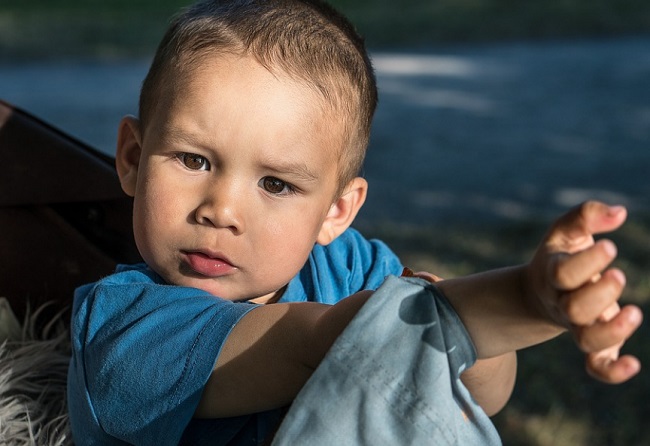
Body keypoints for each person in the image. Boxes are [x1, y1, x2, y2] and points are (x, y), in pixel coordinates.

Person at [66, 0, 643, 444]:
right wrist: (505, 299)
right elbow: (316, 340)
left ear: (337, 211)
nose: (221, 210)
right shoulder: (124, 330)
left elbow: (480, 388)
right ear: (134, 160)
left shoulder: (354, 268)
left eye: (276, 183)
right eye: (194, 160)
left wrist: (533, 308)